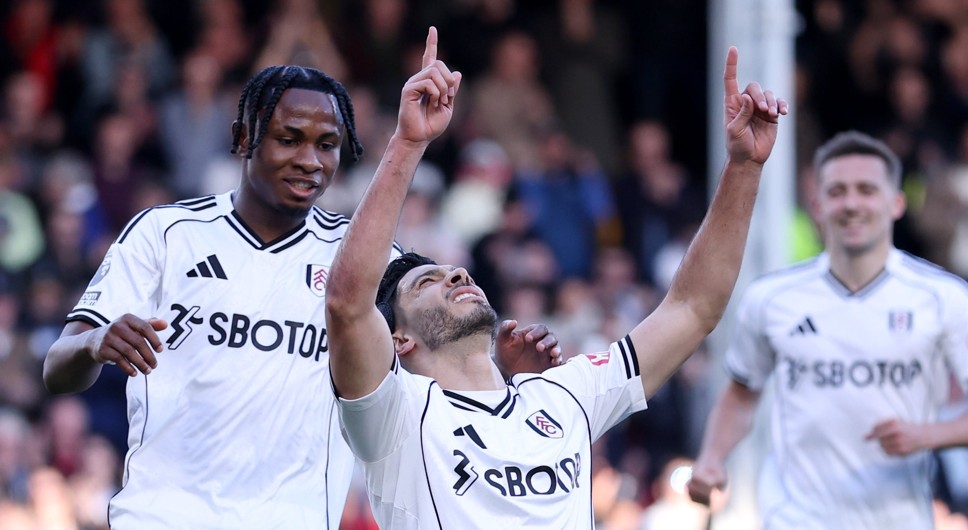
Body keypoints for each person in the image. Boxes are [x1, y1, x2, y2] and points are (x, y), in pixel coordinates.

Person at [42, 60, 560, 528]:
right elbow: (58, 368)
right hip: (164, 518)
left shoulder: (361, 259)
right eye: (289, 139)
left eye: (327, 144)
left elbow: (433, 370)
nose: (310, 160)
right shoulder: (165, 233)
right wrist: (94, 342)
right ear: (244, 137)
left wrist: (502, 374)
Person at [325, 27, 786, 529]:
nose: (455, 272)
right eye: (425, 282)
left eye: (451, 269)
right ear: (399, 340)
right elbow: (348, 303)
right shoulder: (393, 415)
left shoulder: (561, 395)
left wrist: (743, 167)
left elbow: (694, 307)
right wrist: (409, 142)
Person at [686, 130, 968, 530]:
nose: (851, 203)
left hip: (899, 518)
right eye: (837, 191)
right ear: (818, 205)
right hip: (797, 517)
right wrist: (712, 457)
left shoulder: (944, 298)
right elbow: (741, 395)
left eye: (867, 190)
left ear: (897, 202)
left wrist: (928, 435)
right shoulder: (772, 299)